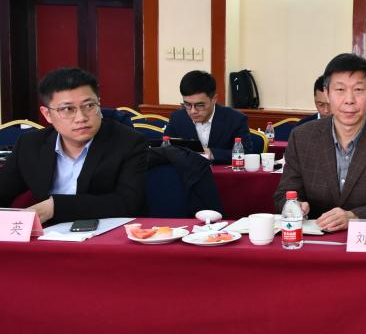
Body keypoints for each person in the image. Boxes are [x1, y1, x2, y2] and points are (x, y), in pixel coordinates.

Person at [274, 53, 366, 231]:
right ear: (327, 93)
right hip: (313, 238)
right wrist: (294, 205)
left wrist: (354, 216)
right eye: (340, 90)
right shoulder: (302, 138)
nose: (349, 100)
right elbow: (283, 194)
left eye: (358, 90)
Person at [0, 67, 147, 224]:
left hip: (104, 232)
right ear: (47, 114)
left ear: (99, 103)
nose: (81, 118)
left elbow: (127, 204)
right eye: (67, 109)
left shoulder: (128, 142)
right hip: (47, 234)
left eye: (89, 106)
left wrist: (55, 207)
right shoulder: (30, 144)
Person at [164, 70, 250, 163]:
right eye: (187, 104)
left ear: (214, 99)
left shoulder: (235, 119)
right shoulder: (177, 118)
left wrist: (213, 153)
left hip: (220, 172)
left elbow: (247, 153)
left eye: (199, 105)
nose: (193, 111)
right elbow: (165, 150)